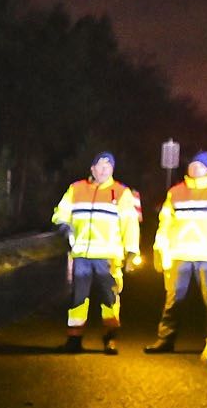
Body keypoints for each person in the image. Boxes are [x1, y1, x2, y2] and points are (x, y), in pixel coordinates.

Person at [146, 151, 207, 352]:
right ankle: (165, 339)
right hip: (179, 255)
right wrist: (159, 248)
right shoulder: (175, 192)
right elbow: (165, 223)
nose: (196, 168)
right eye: (193, 165)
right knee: (173, 301)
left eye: (200, 165)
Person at [50, 151, 141, 353]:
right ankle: (74, 339)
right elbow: (61, 212)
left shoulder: (121, 192)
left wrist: (132, 251)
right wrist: (64, 226)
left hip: (109, 255)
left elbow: (130, 224)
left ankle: (110, 338)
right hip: (81, 253)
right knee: (78, 299)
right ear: (92, 168)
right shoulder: (76, 189)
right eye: (99, 165)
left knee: (109, 298)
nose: (103, 169)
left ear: (112, 170)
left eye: (108, 166)